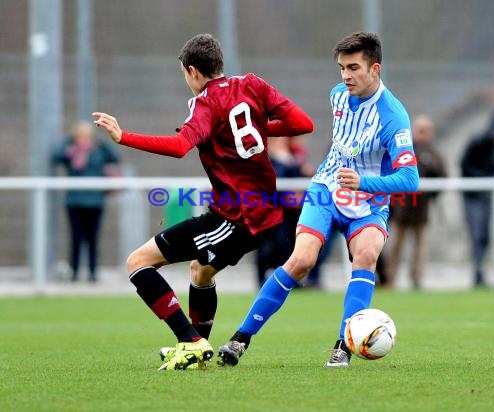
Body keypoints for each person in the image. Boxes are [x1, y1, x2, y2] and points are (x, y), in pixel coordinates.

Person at [92, 33, 313, 371]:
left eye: (184, 74)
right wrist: (256, 126)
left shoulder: (205, 103)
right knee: (201, 270)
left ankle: (189, 340)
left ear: (192, 71)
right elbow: (303, 123)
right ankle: (198, 347)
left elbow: (181, 145)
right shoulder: (252, 84)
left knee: (138, 262)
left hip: (234, 217)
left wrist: (124, 137)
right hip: (262, 210)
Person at [218, 32, 419, 368]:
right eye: (341, 67)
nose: (345, 75)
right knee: (301, 261)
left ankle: (344, 344)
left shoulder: (393, 117)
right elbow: (344, 144)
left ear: (375, 69)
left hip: (368, 202)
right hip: (326, 191)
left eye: (354, 67)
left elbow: (410, 180)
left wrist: (363, 182)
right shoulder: (338, 96)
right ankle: (240, 339)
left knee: (366, 253)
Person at [255, 136, 330, 289]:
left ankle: (291, 280)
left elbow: (297, 177)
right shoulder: (269, 157)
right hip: (270, 209)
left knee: (290, 244)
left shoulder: (294, 155)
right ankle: (264, 279)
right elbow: (273, 180)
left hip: (290, 211)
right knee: (269, 246)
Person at [52, 121, 121, 282]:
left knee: (92, 239)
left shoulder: (98, 150)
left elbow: (115, 157)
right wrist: (69, 139)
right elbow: (55, 155)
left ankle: (92, 273)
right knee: (76, 239)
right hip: (74, 202)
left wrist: (101, 139)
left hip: (95, 202)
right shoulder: (70, 151)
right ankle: (74, 272)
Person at [386, 115, 447, 289]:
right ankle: (390, 279)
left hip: (422, 209)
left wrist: (431, 193)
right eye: (420, 131)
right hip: (402, 208)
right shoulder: (404, 150)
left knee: (420, 248)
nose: (423, 135)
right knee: (396, 245)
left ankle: (417, 279)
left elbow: (442, 175)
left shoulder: (434, 153)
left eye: (426, 131)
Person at [460, 111, 494, 287]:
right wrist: (483, 179)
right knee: (477, 235)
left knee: (485, 236)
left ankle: (480, 272)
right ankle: (477, 272)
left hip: (487, 197)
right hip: (473, 197)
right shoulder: (478, 141)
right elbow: (464, 165)